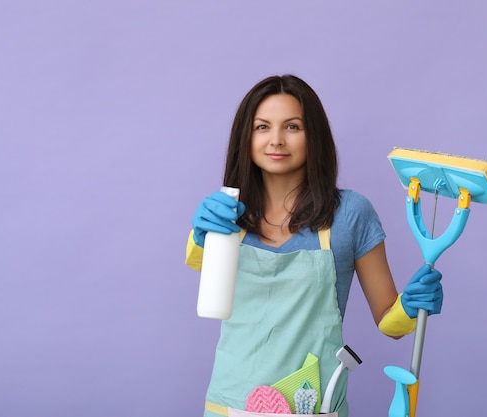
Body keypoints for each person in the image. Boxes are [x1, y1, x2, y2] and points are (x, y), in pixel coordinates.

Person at [185, 74, 443, 417]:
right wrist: (200, 233)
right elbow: (201, 267)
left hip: (313, 405)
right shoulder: (225, 214)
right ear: (245, 137)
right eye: (262, 127)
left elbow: (388, 321)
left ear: (314, 136)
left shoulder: (350, 214)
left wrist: (410, 308)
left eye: (292, 127)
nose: (276, 140)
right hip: (228, 404)